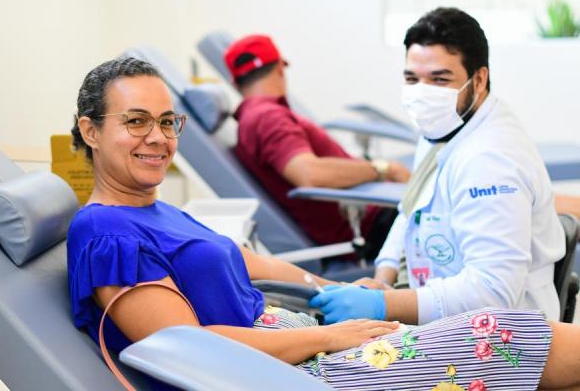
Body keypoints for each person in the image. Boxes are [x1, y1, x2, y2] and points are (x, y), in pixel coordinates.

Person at [68, 56, 580, 391]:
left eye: (165, 122)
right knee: (496, 335)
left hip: (292, 342)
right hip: (278, 373)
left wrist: (331, 288)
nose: (156, 137)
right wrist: (328, 338)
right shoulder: (105, 233)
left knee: (489, 340)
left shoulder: (153, 209)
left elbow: (245, 260)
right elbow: (185, 348)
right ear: (90, 130)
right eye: (135, 121)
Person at [310, 7, 567, 325]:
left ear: (480, 79)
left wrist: (383, 305)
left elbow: (493, 292)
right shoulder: (444, 126)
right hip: (443, 312)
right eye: (411, 78)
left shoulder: (490, 160)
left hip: (498, 342)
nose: (422, 93)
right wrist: (384, 278)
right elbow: (410, 209)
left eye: (439, 79)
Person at [223, 35, 411, 265]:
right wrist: (384, 169)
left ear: (235, 84)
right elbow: (309, 174)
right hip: (374, 226)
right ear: (281, 68)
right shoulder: (268, 117)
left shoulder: (257, 115)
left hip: (371, 210)